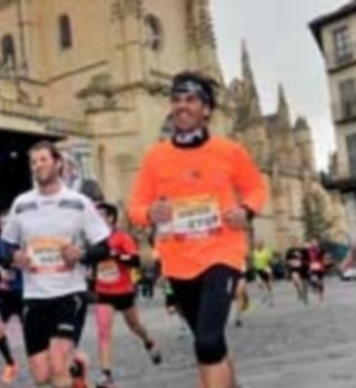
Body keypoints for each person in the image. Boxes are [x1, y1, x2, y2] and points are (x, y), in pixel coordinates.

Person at [128, 71, 267, 388]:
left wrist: (245, 211)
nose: (181, 106)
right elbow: (136, 207)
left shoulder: (230, 151)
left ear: (206, 109)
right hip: (179, 263)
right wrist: (149, 212)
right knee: (211, 341)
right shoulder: (155, 157)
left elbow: (256, 189)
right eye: (176, 99)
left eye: (190, 99)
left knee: (205, 343)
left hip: (222, 256)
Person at [1, 141, 111, 388]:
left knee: (58, 363)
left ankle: (70, 368)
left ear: (58, 163)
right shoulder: (21, 204)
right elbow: (4, 247)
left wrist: (80, 253)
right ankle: (77, 370)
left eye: (43, 160)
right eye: (33, 162)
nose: (37, 165)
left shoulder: (79, 202)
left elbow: (104, 247)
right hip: (34, 296)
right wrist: (13, 258)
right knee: (42, 376)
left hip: (69, 294)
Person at [92, 202, 162, 388]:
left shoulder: (122, 237)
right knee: (103, 331)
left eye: (101, 215)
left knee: (135, 326)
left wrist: (115, 255)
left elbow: (136, 261)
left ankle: (148, 341)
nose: (96, 218)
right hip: (103, 292)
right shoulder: (93, 239)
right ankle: (106, 374)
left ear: (110, 218)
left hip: (123, 291)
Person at [0, 263, 24, 384]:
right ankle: (11, 364)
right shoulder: (3, 247)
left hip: (24, 297)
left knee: (33, 337)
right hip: (6, 298)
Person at [285, 238, 311, 305]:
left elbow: (307, 258)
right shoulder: (289, 251)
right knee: (296, 279)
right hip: (294, 269)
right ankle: (299, 291)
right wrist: (290, 262)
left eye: (296, 242)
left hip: (303, 268)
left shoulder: (302, 250)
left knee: (304, 284)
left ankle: (305, 295)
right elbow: (287, 260)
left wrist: (306, 264)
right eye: (293, 242)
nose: (294, 243)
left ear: (298, 242)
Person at [252, 241, 274, 306]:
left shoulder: (267, 251)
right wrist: (253, 265)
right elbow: (253, 260)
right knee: (259, 283)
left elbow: (270, 260)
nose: (258, 245)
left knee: (268, 284)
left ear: (262, 245)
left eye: (259, 244)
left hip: (266, 268)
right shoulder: (254, 252)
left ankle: (270, 298)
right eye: (257, 244)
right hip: (257, 270)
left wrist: (269, 270)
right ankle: (263, 295)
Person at [307, 238, 326, 302]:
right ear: (311, 243)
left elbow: (325, 257)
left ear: (318, 243)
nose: (314, 243)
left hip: (320, 266)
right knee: (313, 279)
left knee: (320, 282)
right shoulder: (309, 250)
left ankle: (321, 295)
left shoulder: (321, 249)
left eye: (315, 242)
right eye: (313, 242)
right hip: (312, 266)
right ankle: (314, 287)